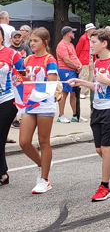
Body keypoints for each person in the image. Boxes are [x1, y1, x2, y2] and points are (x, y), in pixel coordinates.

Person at [69, 28, 110, 201]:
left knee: (106, 149)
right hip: (98, 108)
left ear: (104, 43)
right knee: (100, 149)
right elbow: (98, 86)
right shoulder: (97, 63)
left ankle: (104, 187)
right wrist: (80, 81)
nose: (91, 45)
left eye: (94, 42)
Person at [19, 28, 58, 193]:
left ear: (45, 42)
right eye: (31, 41)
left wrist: (31, 82)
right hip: (30, 103)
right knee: (24, 141)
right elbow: (23, 80)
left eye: (36, 41)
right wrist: (25, 79)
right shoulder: (27, 59)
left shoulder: (50, 60)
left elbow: (51, 84)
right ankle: (43, 164)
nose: (32, 44)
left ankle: (44, 178)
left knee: (43, 141)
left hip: (44, 103)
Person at [0, 27, 24, 186]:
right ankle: (3, 173)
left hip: (7, 99)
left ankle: (2, 174)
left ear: (3, 37)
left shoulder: (11, 54)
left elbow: (23, 74)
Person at [56, 26, 84, 123]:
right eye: (72, 32)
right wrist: (77, 67)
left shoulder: (70, 45)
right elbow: (66, 60)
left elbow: (75, 56)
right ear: (68, 34)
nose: (73, 34)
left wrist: (79, 65)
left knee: (74, 92)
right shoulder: (61, 45)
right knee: (65, 92)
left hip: (72, 70)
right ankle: (61, 115)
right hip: (65, 71)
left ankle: (75, 114)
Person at [76, 23, 96, 99]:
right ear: (88, 30)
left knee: (91, 75)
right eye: (92, 29)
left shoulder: (91, 38)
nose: (94, 30)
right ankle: (81, 91)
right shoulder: (83, 38)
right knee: (85, 75)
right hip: (84, 59)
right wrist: (77, 60)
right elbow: (78, 49)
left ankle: (86, 91)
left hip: (90, 57)